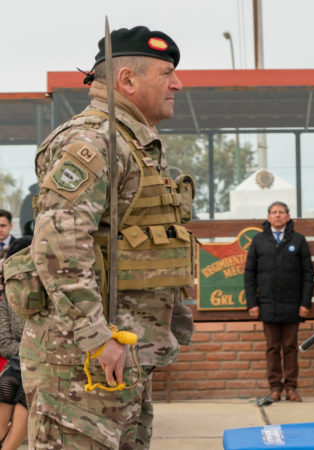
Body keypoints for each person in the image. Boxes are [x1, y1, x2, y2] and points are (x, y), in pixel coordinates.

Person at [21, 26, 195, 448]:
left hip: (121, 358)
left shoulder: (132, 142)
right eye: (166, 73)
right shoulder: (93, 140)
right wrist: (98, 339)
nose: (178, 83)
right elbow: (58, 244)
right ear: (127, 81)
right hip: (82, 365)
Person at [245, 201, 314, 404]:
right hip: (267, 304)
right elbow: (249, 274)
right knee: (273, 348)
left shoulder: (299, 240)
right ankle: (274, 388)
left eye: (281, 212)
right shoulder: (258, 241)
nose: (277, 215)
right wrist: (252, 304)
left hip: (293, 304)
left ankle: (291, 388)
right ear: (268, 217)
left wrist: (305, 303)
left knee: (291, 347)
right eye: (274, 212)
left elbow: (308, 274)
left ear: (288, 216)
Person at [0, 237, 30, 450]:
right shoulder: (6, 300)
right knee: (6, 384)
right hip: (20, 359)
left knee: (26, 393)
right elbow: (4, 342)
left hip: (45, 361)